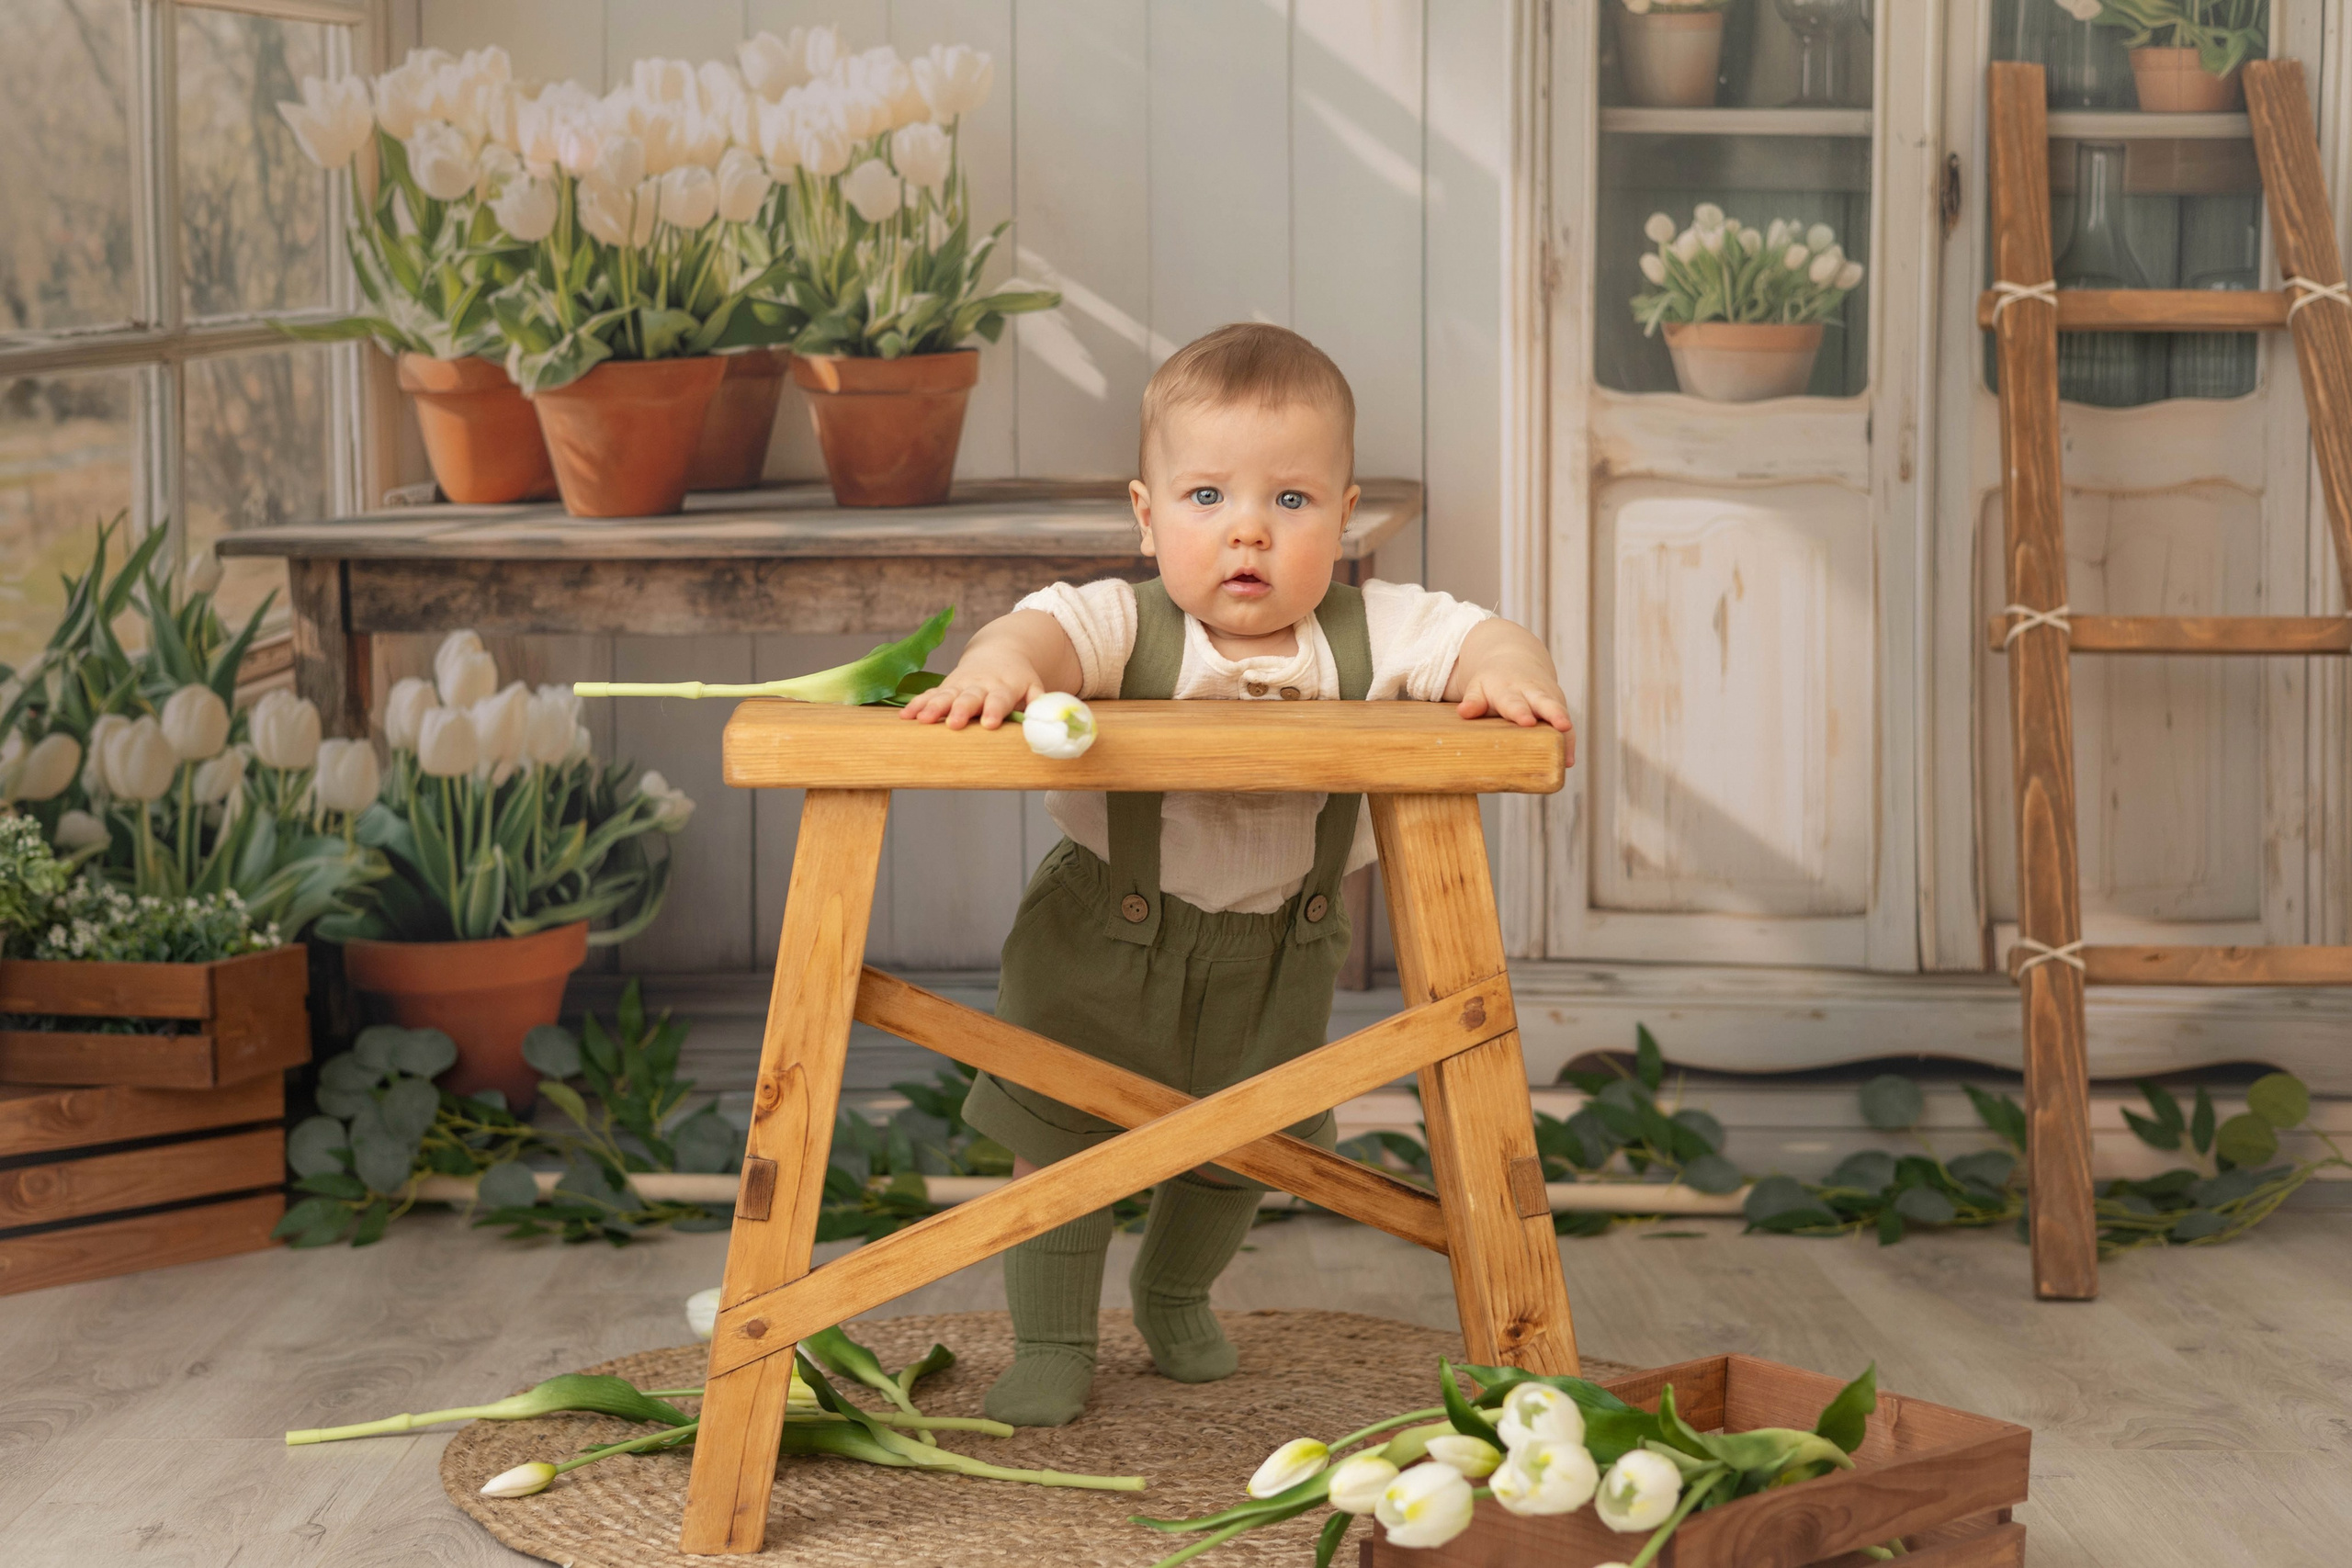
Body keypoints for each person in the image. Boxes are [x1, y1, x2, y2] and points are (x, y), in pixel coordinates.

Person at [900, 322, 1573, 1427]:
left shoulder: (1377, 631)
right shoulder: (1124, 625)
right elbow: (1037, 633)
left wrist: (1512, 677)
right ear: (1146, 514)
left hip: (1276, 957)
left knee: (1246, 1149)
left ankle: (1173, 1295)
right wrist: (999, 670)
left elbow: (1485, 637)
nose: (1247, 529)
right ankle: (1054, 1341)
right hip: (1104, 946)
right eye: (1206, 497)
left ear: (1345, 517)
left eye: (1291, 500)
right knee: (1062, 1146)